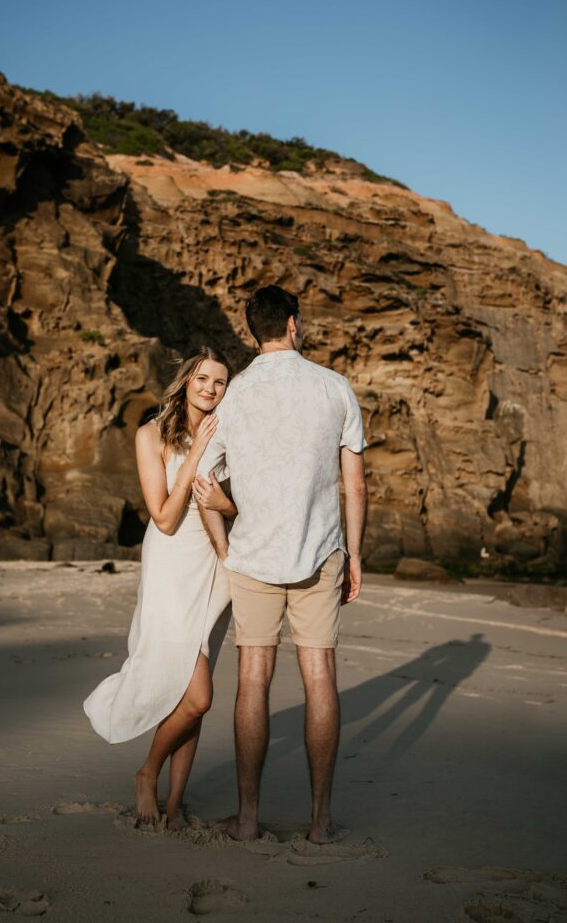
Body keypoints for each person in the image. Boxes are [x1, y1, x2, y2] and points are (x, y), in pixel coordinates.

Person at [195, 285, 368, 844]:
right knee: (320, 678)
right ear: (293, 324)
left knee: (253, 679)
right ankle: (320, 824)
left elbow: (205, 481)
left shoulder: (235, 395)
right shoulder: (333, 386)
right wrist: (356, 554)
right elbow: (354, 482)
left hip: (253, 554)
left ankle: (247, 820)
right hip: (321, 554)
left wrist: (228, 533)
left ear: (254, 330)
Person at [83, 346, 235, 829]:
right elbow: (165, 518)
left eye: (220, 382)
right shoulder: (150, 435)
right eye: (204, 378)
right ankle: (147, 773)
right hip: (172, 564)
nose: (211, 389)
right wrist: (194, 456)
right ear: (186, 380)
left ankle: (174, 805)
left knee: (190, 692)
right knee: (200, 695)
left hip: (215, 568)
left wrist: (227, 508)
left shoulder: (228, 435)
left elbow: (238, 506)